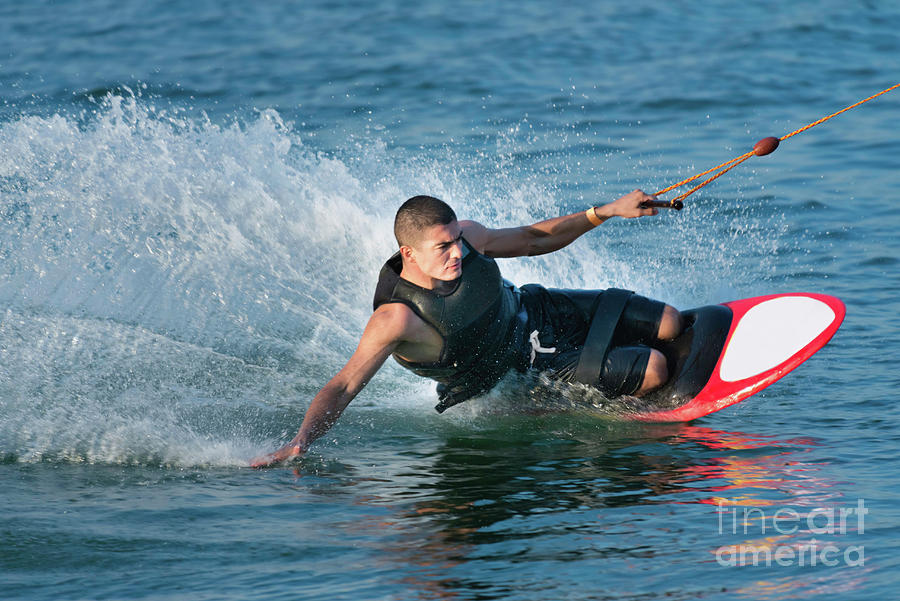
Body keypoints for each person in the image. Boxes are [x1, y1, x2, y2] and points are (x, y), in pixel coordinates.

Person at [251, 190, 683, 467]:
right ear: (409, 253)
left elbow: (535, 240)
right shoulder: (397, 319)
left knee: (670, 321)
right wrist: (301, 442)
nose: (458, 252)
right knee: (654, 371)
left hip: (539, 310)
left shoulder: (470, 239)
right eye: (443, 246)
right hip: (517, 374)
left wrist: (607, 210)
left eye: (457, 239)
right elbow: (343, 386)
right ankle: (540, 409)